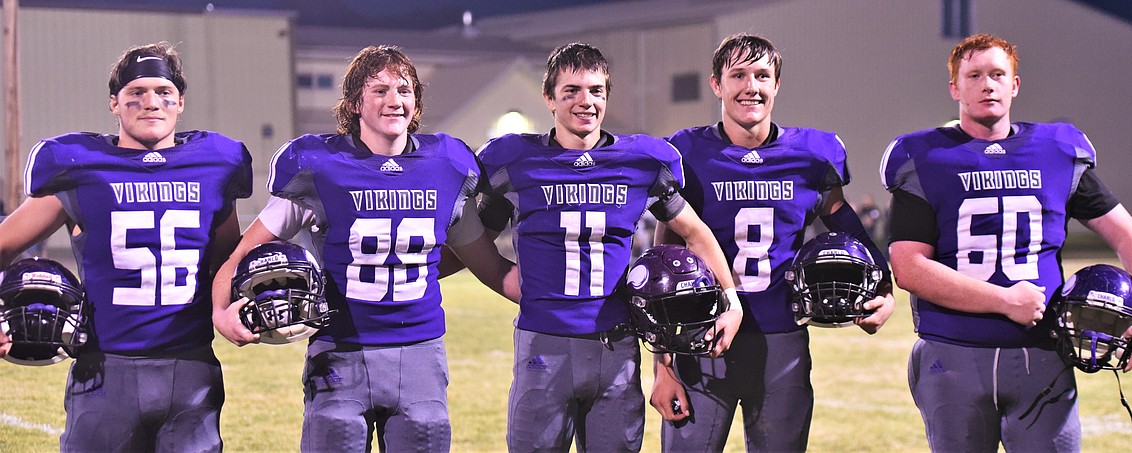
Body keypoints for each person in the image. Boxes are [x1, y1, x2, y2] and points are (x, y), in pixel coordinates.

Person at [210, 45, 519, 452]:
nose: (395, 100)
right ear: (355, 103)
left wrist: (565, 301)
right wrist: (220, 314)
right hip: (340, 353)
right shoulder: (320, 167)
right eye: (380, 90)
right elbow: (239, 256)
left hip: (420, 355)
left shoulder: (446, 166)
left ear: (417, 102)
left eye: (405, 90)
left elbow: (489, 267)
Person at [881, 33, 1132, 451]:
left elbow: (1125, 232)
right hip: (953, 354)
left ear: (1014, 84)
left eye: (998, 74)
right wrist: (1003, 301)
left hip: (1042, 354)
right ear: (954, 88)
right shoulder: (924, 157)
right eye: (974, 75)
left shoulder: (1055, 150)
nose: (987, 84)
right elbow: (908, 267)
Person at [475, 42, 743, 452]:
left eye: (596, 91)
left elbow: (696, 232)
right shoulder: (516, 160)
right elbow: (475, 240)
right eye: (572, 91)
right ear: (549, 97)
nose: (586, 101)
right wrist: (508, 281)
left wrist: (731, 298)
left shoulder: (640, 161)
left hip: (616, 347)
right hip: (543, 345)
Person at [0, 42, 251, 451]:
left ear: (180, 102)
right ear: (114, 103)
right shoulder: (80, 166)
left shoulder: (217, 163)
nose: (150, 102)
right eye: (136, 93)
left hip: (191, 369)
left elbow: (228, 262)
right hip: (105, 370)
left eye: (163, 92)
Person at [651, 33, 896, 452]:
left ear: (777, 84)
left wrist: (884, 289)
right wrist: (663, 365)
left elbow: (843, 221)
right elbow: (664, 264)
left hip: (781, 341)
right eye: (739, 75)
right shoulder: (685, 153)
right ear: (717, 84)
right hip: (702, 336)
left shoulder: (812, 155)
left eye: (762, 75)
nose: (752, 86)